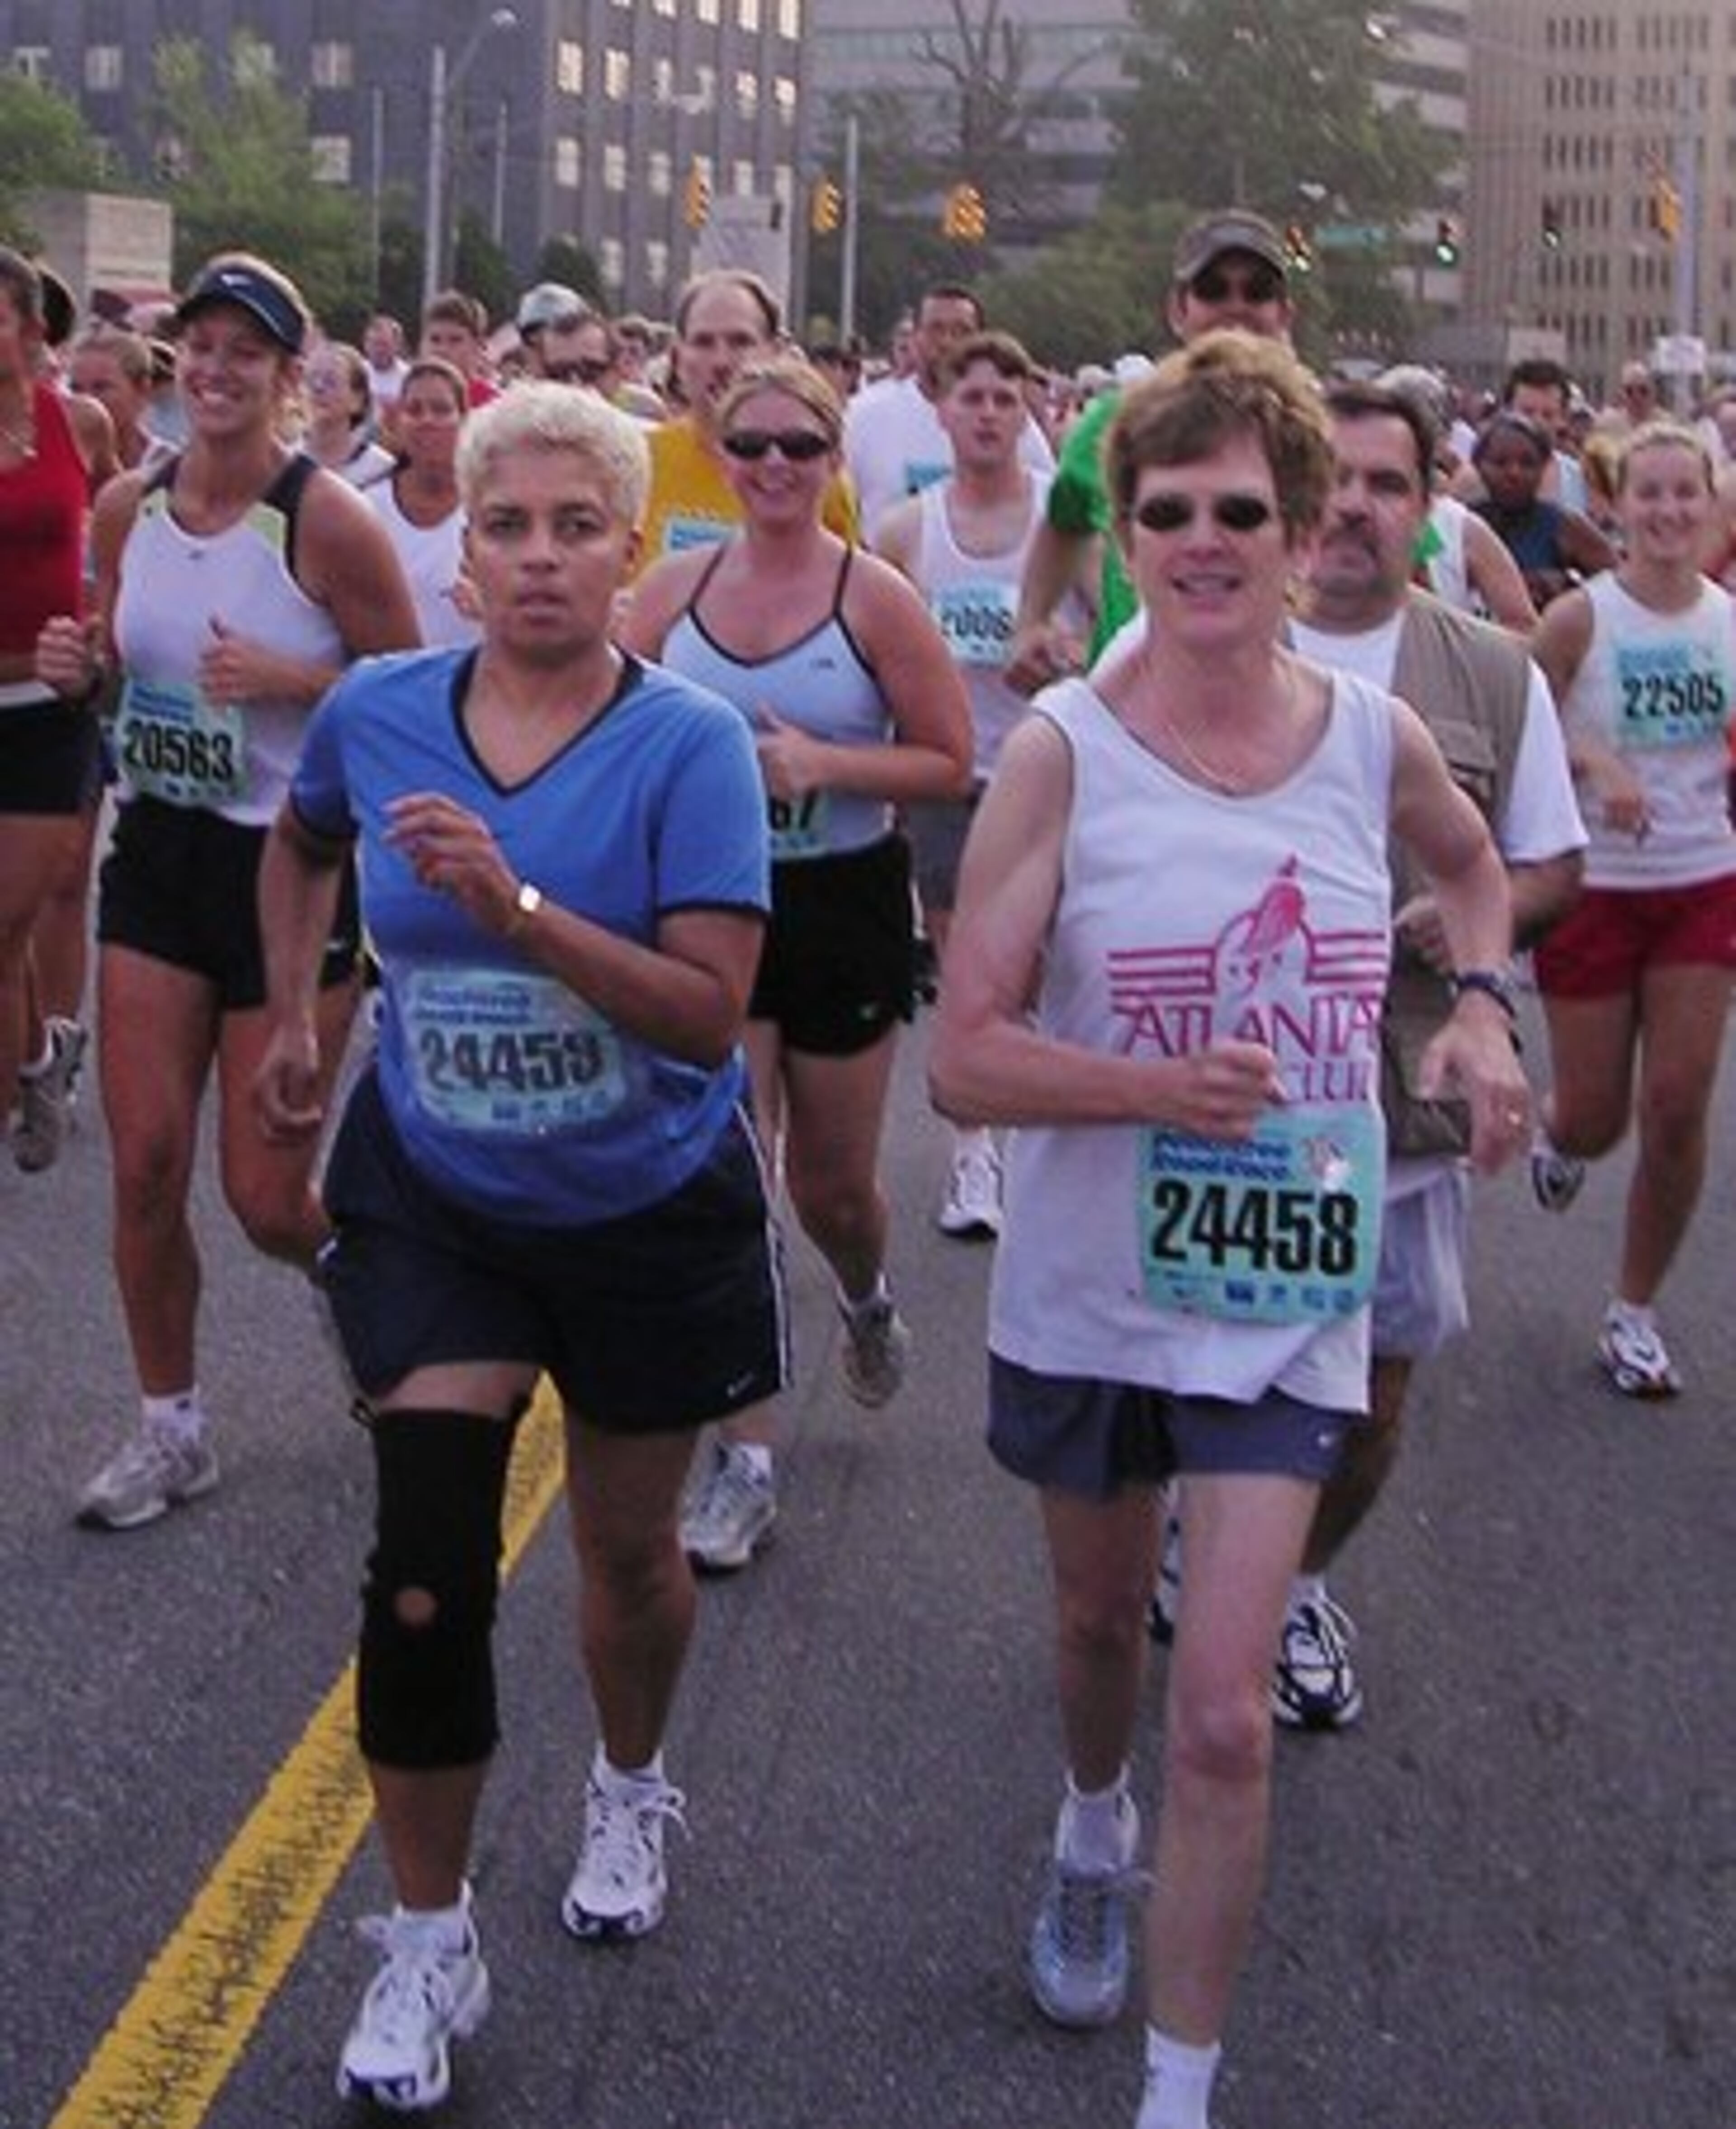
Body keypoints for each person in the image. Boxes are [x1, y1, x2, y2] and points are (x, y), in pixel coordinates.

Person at [929, 331, 1527, 2129]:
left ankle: (1180, 2093)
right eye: (1165, 509)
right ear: (1127, 534)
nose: (1201, 541)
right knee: (1104, 1635)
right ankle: (1087, 1825)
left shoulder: (1376, 735)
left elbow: (1476, 864)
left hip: (1285, 1294)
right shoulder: (1062, 757)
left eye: (1238, 511)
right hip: (1096, 1288)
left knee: (1228, 1708)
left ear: (1305, 530)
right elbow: (962, 1060)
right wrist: (1148, 1094)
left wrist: (1482, 1006)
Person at [252, 382, 784, 2111]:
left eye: (576, 528)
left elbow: (710, 1020)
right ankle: (425, 1944)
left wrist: (523, 914)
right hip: (444, 1197)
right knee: (422, 1568)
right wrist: (297, 1024)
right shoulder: (381, 710)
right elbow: (303, 845)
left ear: (629, 553)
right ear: (460, 553)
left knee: (627, 1568)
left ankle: (631, 1781)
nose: (541, 557)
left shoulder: (686, 744)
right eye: (507, 526)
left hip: (644, 1207)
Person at [36, 251, 419, 1529]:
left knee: (262, 1197)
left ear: (285, 376)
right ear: (171, 366)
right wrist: (78, 664)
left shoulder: (326, 521)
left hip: (291, 869)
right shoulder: (124, 508)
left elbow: (409, 694)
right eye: (196, 347)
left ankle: (359, 1281)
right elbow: (110, 665)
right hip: (160, 856)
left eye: (242, 352)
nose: (214, 371)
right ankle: (171, 1427)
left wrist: (294, 681)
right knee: (144, 1163)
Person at [1246, 379, 1584, 1729]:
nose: (1349, 510)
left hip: (1405, 1092)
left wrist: (1471, 931)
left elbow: (1550, 864)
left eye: (1384, 485)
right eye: (1327, 480)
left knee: (1373, 1390)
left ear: (1426, 502)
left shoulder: (1484, 674)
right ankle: (1216, 1540)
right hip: (1233, 1085)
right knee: (1214, 1349)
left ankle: (1295, 1579)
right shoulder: (1195, 643)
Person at [621, 354, 970, 1572]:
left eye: (800, 448)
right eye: (753, 445)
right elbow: (606, 720)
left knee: (832, 1186)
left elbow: (948, 757)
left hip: (840, 899)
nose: (774, 467)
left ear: (832, 464)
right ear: (719, 454)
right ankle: (748, 1456)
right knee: (732, 1171)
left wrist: (830, 767)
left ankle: (866, 1296)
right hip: (715, 904)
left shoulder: (872, 598)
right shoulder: (667, 590)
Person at [1528, 420, 1736, 1398]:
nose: (1668, 512)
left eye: (1685, 494)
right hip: (1597, 887)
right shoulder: (1582, 619)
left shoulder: (1727, 621)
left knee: (1679, 1104)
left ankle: (1634, 1311)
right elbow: (1516, 726)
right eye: (1648, 494)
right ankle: (1556, 1132)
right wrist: (1594, 760)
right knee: (1599, 1119)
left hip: (1700, 881)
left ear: (1709, 504)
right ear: (1616, 505)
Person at [876, 327, 1069, 1238]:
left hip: (1047, 774)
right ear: (942, 411)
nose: (989, 414)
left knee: (1034, 967)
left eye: (1005, 398)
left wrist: (1062, 658)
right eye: (972, 398)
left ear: (1027, 407)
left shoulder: (1063, 521)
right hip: (949, 773)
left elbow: (1112, 640)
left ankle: (1038, 1131)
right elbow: (874, 654)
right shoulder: (908, 530)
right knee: (964, 966)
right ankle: (973, 1153)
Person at [1010, 210, 1294, 695]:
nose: (1236, 306)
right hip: (1128, 713)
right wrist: (1032, 621)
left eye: (1257, 291)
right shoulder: (1113, 424)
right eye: (1213, 290)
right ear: (1178, 311)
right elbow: (1064, 523)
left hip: (1274, 708)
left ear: (1285, 315)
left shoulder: (1319, 437)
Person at [0, 247, 118, 1175]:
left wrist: (101, 632)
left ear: (31, 330)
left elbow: (120, 535)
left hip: (50, 707)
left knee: (7, 924)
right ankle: (36, 1059)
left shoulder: (76, 423)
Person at [632, 270, 857, 573]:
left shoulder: (812, 475)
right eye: (704, 342)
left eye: (740, 342)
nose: (722, 361)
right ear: (677, 357)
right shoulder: (640, 464)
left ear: (775, 353)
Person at [842, 282, 1052, 543]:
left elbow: (1049, 510)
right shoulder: (864, 415)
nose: (947, 342)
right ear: (915, 338)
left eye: (962, 331)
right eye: (936, 330)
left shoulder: (1011, 424)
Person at [365, 356, 480, 649]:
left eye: (441, 410)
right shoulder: (365, 510)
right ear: (398, 423)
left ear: (465, 420)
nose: (427, 421)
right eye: (414, 410)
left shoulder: (493, 507)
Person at [1469, 409, 1615, 611]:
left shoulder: (1564, 525)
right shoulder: (1460, 522)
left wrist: (1568, 585)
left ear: (1544, 467)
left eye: (1527, 463)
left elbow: (1619, 582)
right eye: (1500, 463)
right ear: (1479, 465)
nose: (1514, 473)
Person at [300, 339, 396, 487]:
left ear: (357, 400)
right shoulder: (282, 461)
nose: (318, 388)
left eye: (330, 381)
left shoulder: (380, 469)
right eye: (310, 379)